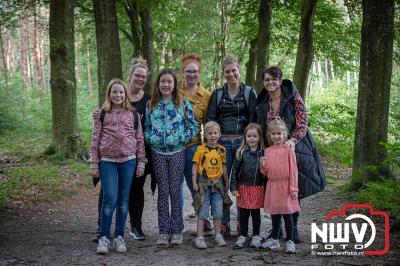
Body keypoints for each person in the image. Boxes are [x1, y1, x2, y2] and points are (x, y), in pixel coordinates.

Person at [252, 66, 326, 243]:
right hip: (272, 150)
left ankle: (293, 230)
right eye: (267, 80)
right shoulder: (262, 101)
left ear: (280, 80)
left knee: (293, 189)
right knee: (275, 189)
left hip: (294, 147)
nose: (270, 83)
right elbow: (260, 125)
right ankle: (276, 230)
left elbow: (302, 122)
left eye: (273, 79)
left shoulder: (292, 97)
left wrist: (292, 140)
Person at [89, 79, 146, 254]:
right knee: (109, 200)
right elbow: (95, 139)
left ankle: (119, 237)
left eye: (121, 92)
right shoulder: (102, 114)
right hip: (107, 162)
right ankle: (104, 238)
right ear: (109, 94)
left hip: (128, 162)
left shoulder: (133, 114)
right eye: (115, 92)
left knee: (123, 201)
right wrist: (93, 162)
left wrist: (141, 161)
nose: (118, 95)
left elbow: (139, 139)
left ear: (125, 94)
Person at [144, 68, 198, 245]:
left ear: (175, 85)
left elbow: (193, 125)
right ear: (158, 84)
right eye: (163, 81)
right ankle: (163, 231)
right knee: (163, 192)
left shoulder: (182, 103)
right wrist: (152, 138)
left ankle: (176, 231)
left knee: (175, 191)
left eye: (169, 82)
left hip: (177, 153)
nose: (166, 85)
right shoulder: (151, 104)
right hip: (158, 153)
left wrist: (182, 138)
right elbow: (146, 127)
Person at [206, 55, 257, 234]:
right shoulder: (218, 94)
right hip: (222, 144)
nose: (231, 74)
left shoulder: (249, 93)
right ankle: (224, 222)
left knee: (242, 183)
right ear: (223, 74)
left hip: (242, 144)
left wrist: (251, 144)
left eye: (234, 70)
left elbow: (253, 121)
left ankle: (241, 222)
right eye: (227, 71)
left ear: (239, 70)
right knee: (222, 183)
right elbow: (210, 119)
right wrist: (211, 144)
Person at [178, 53, 212, 233]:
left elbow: (208, 125)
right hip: (174, 149)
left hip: (193, 147)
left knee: (196, 185)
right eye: (188, 71)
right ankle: (177, 222)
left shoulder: (206, 96)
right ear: (183, 72)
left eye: (195, 71)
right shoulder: (174, 91)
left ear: (199, 73)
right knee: (175, 188)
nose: (192, 74)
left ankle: (203, 218)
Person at [260, 117, 300, 253]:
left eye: (279, 133)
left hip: (286, 185)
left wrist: (294, 188)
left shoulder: (289, 149)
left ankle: (290, 241)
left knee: (287, 214)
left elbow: (294, 170)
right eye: (273, 134)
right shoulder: (268, 151)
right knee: (275, 214)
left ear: (285, 134)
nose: (276, 136)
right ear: (269, 135)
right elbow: (265, 173)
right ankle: (275, 240)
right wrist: (263, 166)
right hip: (273, 186)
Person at [192, 121, 231, 249]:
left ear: (219, 134)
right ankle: (199, 236)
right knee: (202, 210)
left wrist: (226, 182)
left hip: (218, 184)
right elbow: (195, 165)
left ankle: (218, 234)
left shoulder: (222, 150)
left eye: (215, 133)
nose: (213, 136)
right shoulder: (200, 149)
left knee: (218, 210)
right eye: (210, 133)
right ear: (205, 135)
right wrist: (194, 181)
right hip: (204, 183)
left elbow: (224, 167)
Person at [127, 57, 153, 240]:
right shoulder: (119, 94)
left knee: (137, 189)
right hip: (118, 152)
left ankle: (136, 226)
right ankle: (102, 228)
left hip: (141, 152)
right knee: (112, 190)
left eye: (143, 76)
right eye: (137, 75)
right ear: (131, 75)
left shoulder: (149, 100)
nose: (140, 79)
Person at [230, 123, 265, 249]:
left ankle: (256, 236)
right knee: (243, 213)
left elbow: (266, 173)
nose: (251, 138)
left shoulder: (263, 153)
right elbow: (234, 171)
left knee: (255, 213)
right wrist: (233, 187)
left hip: (257, 187)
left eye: (254, 136)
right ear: (245, 137)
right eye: (249, 136)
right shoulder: (241, 152)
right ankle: (243, 235)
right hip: (243, 187)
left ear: (259, 137)